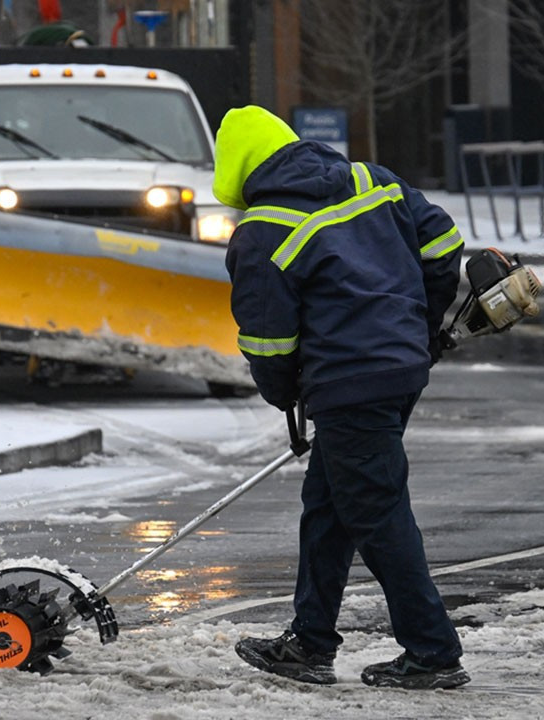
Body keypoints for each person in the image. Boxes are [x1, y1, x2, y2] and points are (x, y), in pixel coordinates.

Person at [212, 105, 469, 690]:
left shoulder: (263, 230)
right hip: (397, 372)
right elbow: (442, 244)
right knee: (329, 509)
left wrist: (287, 398)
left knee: (376, 514)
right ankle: (310, 643)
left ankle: (432, 651)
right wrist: (420, 329)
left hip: (349, 383)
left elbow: (269, 342)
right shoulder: (371, 180)